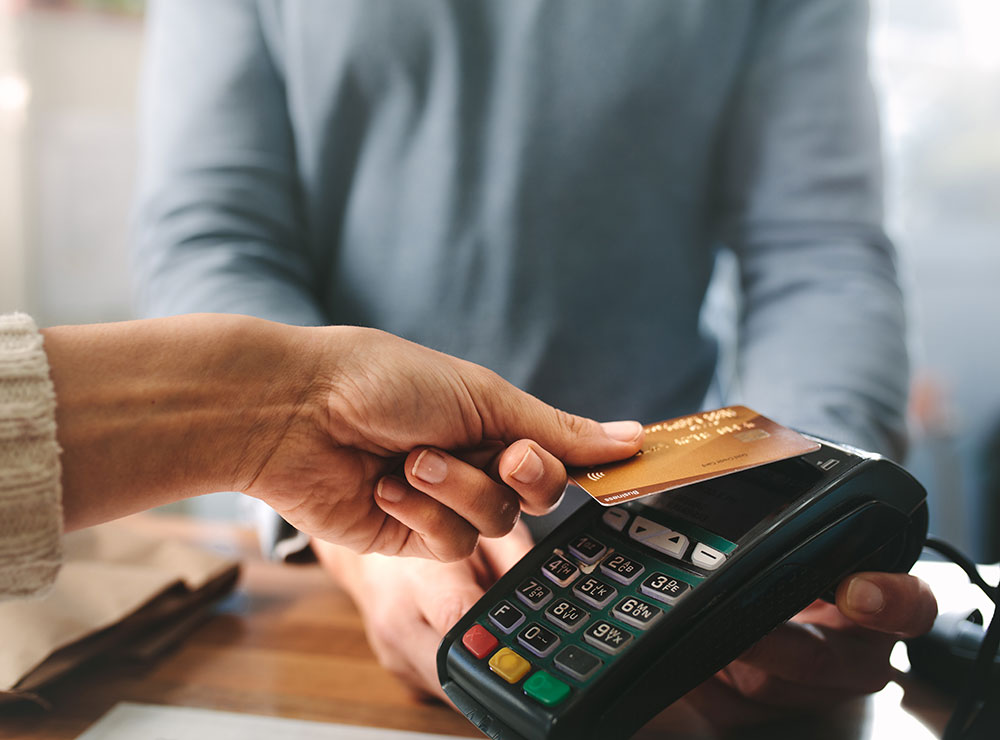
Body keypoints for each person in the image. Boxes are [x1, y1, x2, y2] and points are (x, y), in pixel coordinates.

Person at [133, 0, 938, 717]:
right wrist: (347, 518)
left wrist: (804, 524)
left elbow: (817, 250)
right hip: (329, 568)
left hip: (669, 559)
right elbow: (211, 236)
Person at [0, 311, 643, 599]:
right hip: (349, 562)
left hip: (646, 540)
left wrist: (288, 414)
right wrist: (291, 415)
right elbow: (209, 222)